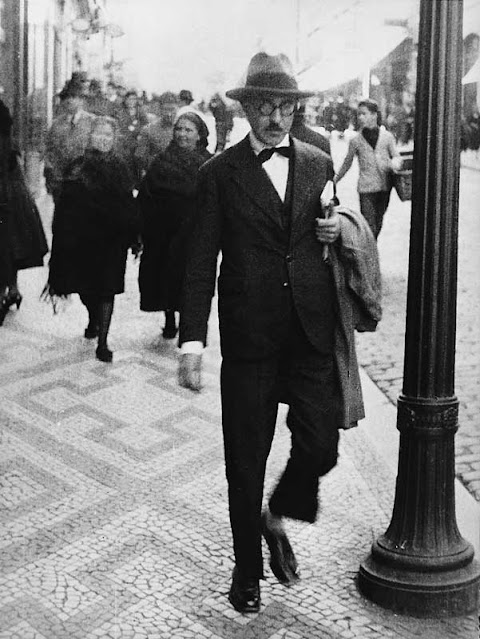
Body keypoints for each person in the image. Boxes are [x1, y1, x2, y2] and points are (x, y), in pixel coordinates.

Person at [177, 52, 382, 614]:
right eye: (265, 107)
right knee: (245, 460)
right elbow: (200, 263)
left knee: (321, 444)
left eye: (285, 108)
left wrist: (333, 226)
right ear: (247, 110)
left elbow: (328, 219)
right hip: (250, 337)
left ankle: (276, 515)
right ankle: (246, 570)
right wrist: (191, 341)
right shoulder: (218, 175)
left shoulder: (317, 162)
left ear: (296, 110)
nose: (275, 118)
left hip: (309, 330)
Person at [45, 117, 139, 362]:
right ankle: (93, 318)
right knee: (86, 288)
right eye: (99, 133)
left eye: (108, 135)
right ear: (90, 136)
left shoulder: (120, 167)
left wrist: (132, 234)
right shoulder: (77, 165)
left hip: (111, 240)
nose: (103, 139)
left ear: (114, 139)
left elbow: (128, 202)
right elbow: (64, 204)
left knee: (107, 289)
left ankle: (103, 342)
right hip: (83, 240)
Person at [138, 111, 212, 339]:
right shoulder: (161, 160)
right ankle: (169, 318)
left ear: (199, 135)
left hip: (194, 234)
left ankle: (189, 327)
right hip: (164, 233)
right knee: (166, 277)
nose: (182, 134)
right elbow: (146, 195)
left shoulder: (209, 164)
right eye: (179, 129)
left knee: (192, 281)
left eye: (188, 130)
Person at [0, 100, 48, 325]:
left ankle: (5, 293)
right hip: (12, 190)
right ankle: (12, 289)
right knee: (9, 244)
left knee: (5, 244)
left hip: (4, 192)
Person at [334, 98, 401, 239]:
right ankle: (370, 250)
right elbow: (347, 163)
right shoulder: (356, 140)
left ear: (374, 115)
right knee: (369, 225)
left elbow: (396, 156)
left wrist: (394, 163)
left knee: (378, 222)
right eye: (359, 114)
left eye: (364, 114)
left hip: (384, 186)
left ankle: (371, 247)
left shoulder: (387, 137)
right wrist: (334, 180)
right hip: (366, 188)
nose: (360, 117)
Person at [44, 80, 96, 204]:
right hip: (60, 182)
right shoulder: (56, 124)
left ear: (82, 100)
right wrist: (52, 177)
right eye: (65, 97)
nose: (68, 101)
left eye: (73, 97)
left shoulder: (92, 122)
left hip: (84, 182)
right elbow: (49, 150)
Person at [135, 91, 179, 175]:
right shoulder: (149, 130)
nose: (169, 114)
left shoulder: (183, 129)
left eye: (172, 109)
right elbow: (140, 156)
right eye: (166, 109)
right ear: (160, 109)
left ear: (177, 108)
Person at [116, 91, 149, 186]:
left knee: (137, 168)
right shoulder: (120, 112)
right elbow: (119, 127)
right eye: (129, 99)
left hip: (137, 144)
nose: (131, 101)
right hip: (124, 144)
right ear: (125, 100)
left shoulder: (141, 112)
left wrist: (140, 134)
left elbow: (146, 126)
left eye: (134, 99)